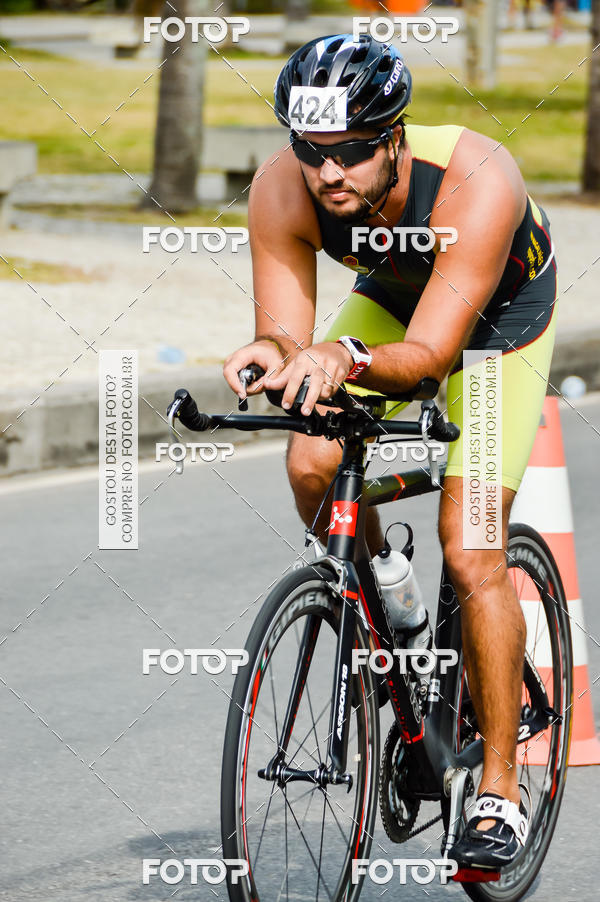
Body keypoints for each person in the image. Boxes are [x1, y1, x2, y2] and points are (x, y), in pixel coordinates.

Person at [223, 34, 558, 870]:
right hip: (394, 300)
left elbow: (431, 358)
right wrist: (276, 352)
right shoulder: (279, 188)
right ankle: (397, 607)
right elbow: (285, 332)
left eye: (352, 152)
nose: (329, 173)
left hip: (495, 326)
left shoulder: (476, 179)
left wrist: (344, 360)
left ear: (395, 137)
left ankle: (499, 791)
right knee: (308, 459)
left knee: (473, 544)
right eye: (312, 152)